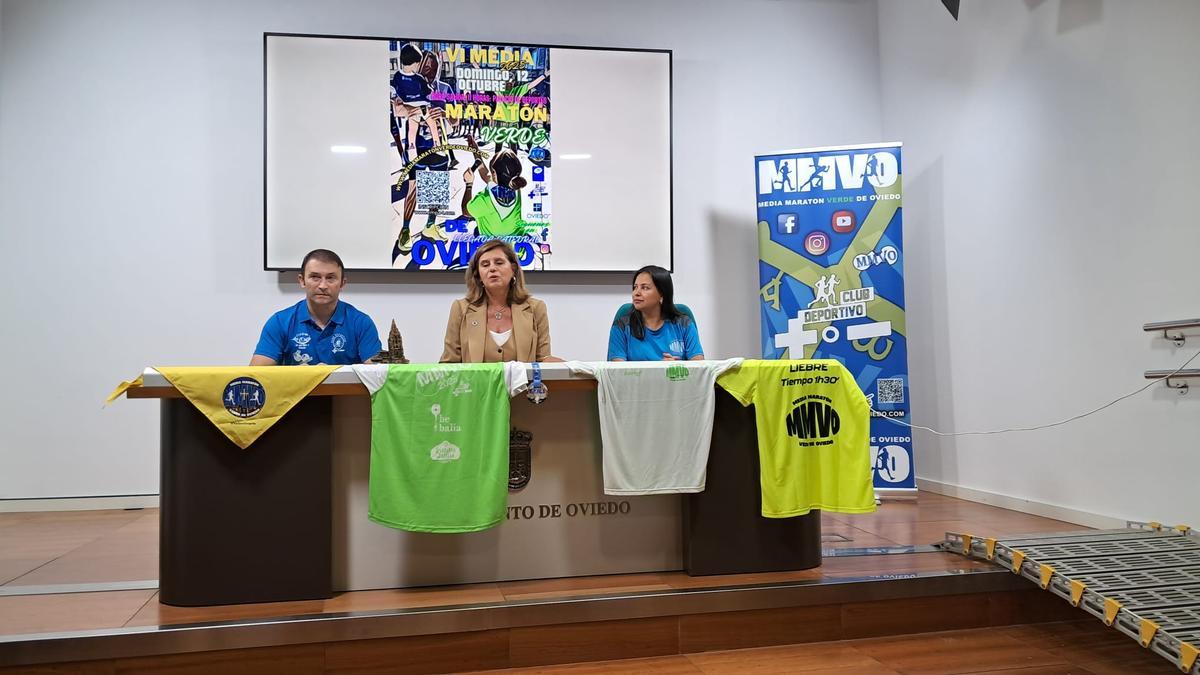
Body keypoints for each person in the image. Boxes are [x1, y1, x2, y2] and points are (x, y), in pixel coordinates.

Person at [251, 249, 381, 365]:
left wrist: (331, 374)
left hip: (345, 393)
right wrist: (297, 376)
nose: (323, 285)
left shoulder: (361, 323)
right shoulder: (280, 322)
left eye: (330, 278)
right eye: (315, 277)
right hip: (298, 392)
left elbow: (378, 377)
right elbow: (257, 375)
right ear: (302, 281)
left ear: (342, 283)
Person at [440, 240, 556, 363]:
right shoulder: (461, 308)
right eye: (485, 265)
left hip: (523, 383)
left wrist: (572, 367)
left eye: (499, 263)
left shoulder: (536, 308)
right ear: (478, 275)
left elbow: (543, 361)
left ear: (513, 269)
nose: (492, 268)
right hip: (476, 383)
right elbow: (449, 363)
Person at [608, 265, 704, 361]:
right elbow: (617, 372)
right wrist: (659, 371)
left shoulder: (684, 324)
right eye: (635, 287)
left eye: (645, 288)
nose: (636, 293)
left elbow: (699, 366)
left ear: (662, 294)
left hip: (678, 377)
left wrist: (676, 368)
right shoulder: (621, 327)